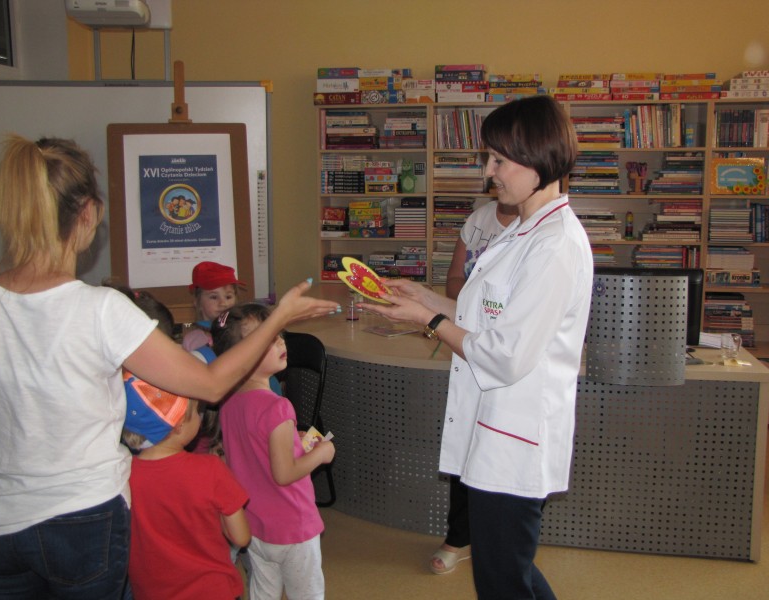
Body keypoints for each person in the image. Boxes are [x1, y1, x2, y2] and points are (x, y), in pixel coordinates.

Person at [0, 134, 339, 599]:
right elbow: (210, 384)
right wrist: (279, 316)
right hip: (85, 518)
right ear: (89, 214)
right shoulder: (101, 309)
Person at [361, 95, 593, 599]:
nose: (490, 173)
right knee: (508, 569)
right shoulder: (523, 230)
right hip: (495, 432)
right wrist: (420, 295)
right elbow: (481, 313)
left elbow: (505, 356)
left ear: (537, 160)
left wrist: (428, 320)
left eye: (499, 161)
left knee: (502, 579)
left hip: (516, 441)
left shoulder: (555, 245)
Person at [211, 304, 335, 600]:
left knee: (263, 592)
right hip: (293, 525)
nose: (280, 342)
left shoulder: (228, 401)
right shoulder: (278, 407)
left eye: (278, 334)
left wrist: (294, 440)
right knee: (307, 594)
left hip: (256, 524)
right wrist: (321, 454)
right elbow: (284, 473)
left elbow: (250, 452)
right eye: (268, 339)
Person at [431, 198, 518, 575]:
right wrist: (467, 308)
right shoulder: (479, 219)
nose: (492, 173)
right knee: (466, 443)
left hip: (505, 353)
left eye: (500, 167)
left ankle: (499, 540)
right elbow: (454, 280)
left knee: (499, 449)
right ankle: (459, 536)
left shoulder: (540, 229)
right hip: (468, 340)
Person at [124, 392, 250, 599]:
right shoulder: (211, 469)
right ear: (179, 424)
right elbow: (241, 537)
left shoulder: (124, 474)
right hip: (212, 591)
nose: (200, 417)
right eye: (196, 412)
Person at [182, 260, 243, 359]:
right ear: (198, 303)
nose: (223, 304)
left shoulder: (243, 332)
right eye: (214, 297)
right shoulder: (192, 340)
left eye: (228, 297)